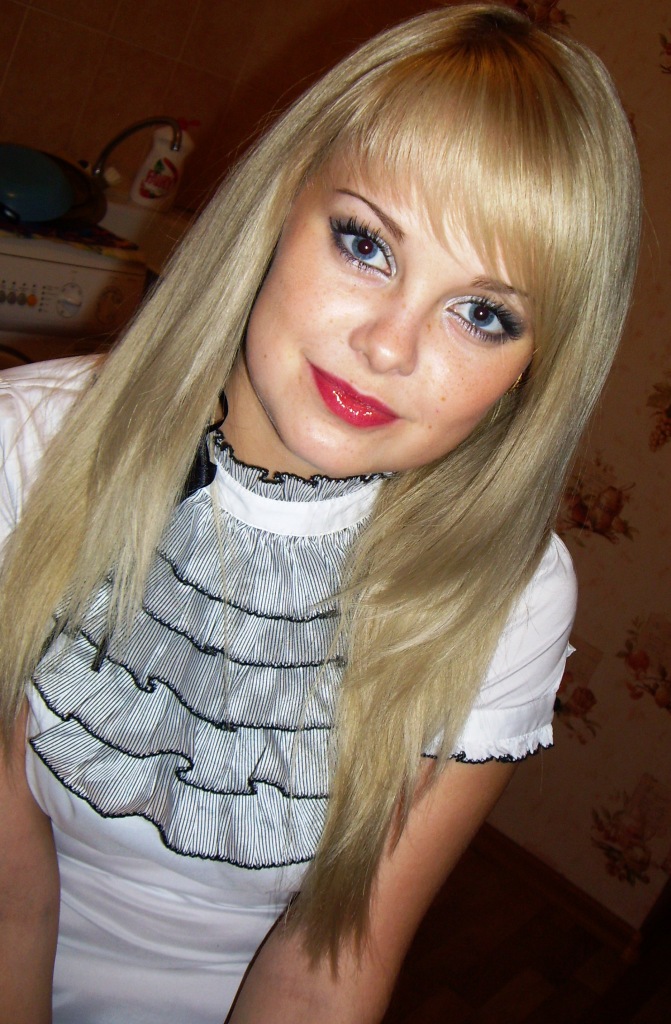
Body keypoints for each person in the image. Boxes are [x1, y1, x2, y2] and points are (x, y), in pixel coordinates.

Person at [0, 4, 640, 1022]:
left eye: (482, 314)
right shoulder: (27, 443)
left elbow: (325, 966)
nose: (389, 346)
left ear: (533, 371)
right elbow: (8, 886)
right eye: (364, 243)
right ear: (277, 207)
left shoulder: (507, 598)